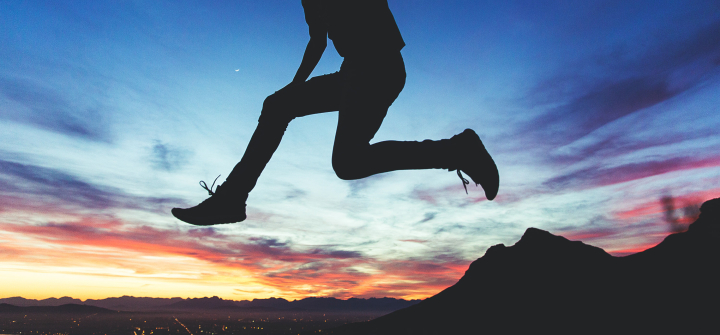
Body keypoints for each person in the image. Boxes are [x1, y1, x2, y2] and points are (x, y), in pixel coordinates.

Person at [172, 0, 499, 225]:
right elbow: (318, 40)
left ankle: (456, 150)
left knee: (347, 163)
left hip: (379, 66)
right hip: (355, 71)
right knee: (279, 106)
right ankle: (231, 199)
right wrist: (294, 86)